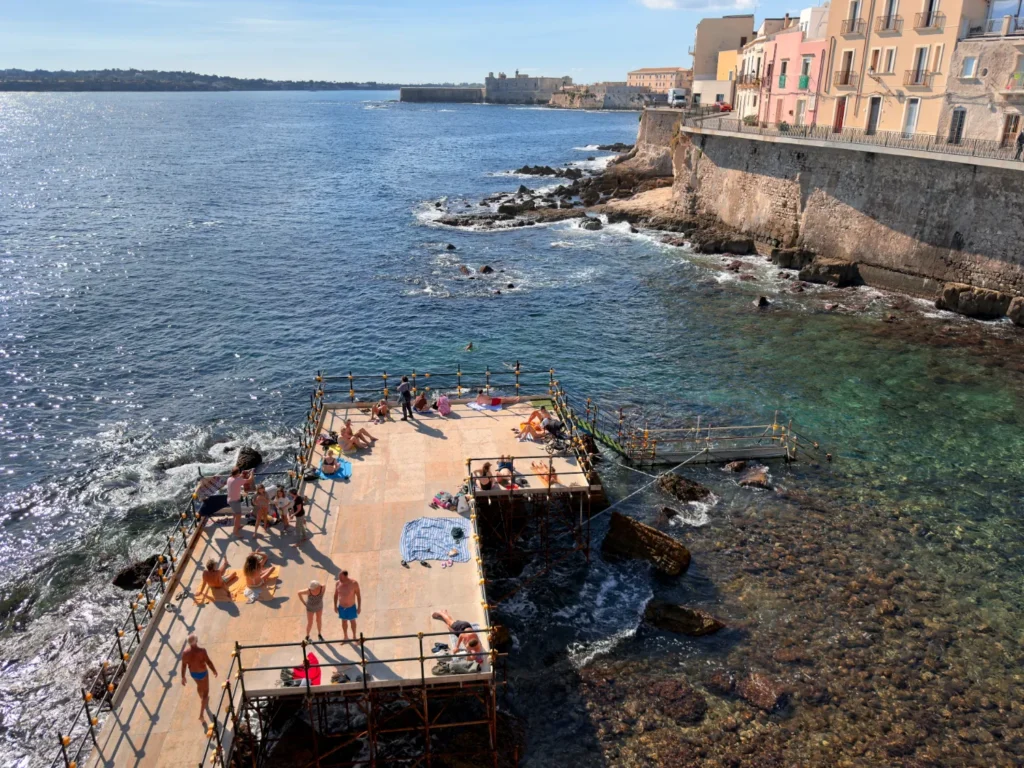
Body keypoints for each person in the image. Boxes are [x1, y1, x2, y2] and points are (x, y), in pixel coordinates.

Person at [181, 633, 218, 727]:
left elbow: (184, 665)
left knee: (199, 686)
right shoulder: (202, 651)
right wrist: (214, 670)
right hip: (203, 673)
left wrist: (183, 676)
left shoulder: (185, 653)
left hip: (193, 674)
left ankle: (202, 699)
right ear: (196, 641)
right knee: (206, 692)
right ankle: (201, 715)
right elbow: (208, 662)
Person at [334, 571, 362, 640]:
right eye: (339, 577)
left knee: (352, 622)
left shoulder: (354, 583)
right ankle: (345, 637)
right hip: (341, 607)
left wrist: (359, 607)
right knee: (344, 621)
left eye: (341, 577)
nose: (339, 579)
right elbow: (335, 595)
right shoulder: (338, 583)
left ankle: (354, 636)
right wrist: (335, 606)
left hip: (351, 607)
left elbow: (358, 596)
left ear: (346, 576)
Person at [225, 466, 248, 537]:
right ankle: (235, 531)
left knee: (235, 514)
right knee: (238, 515)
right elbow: (249, 480)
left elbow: (237, 478)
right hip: (235, 501)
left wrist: (240, 475)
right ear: (237, 472)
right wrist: (252, 473)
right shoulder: (238, 480)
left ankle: (237, 526)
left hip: (230, 500)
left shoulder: (229, 479)